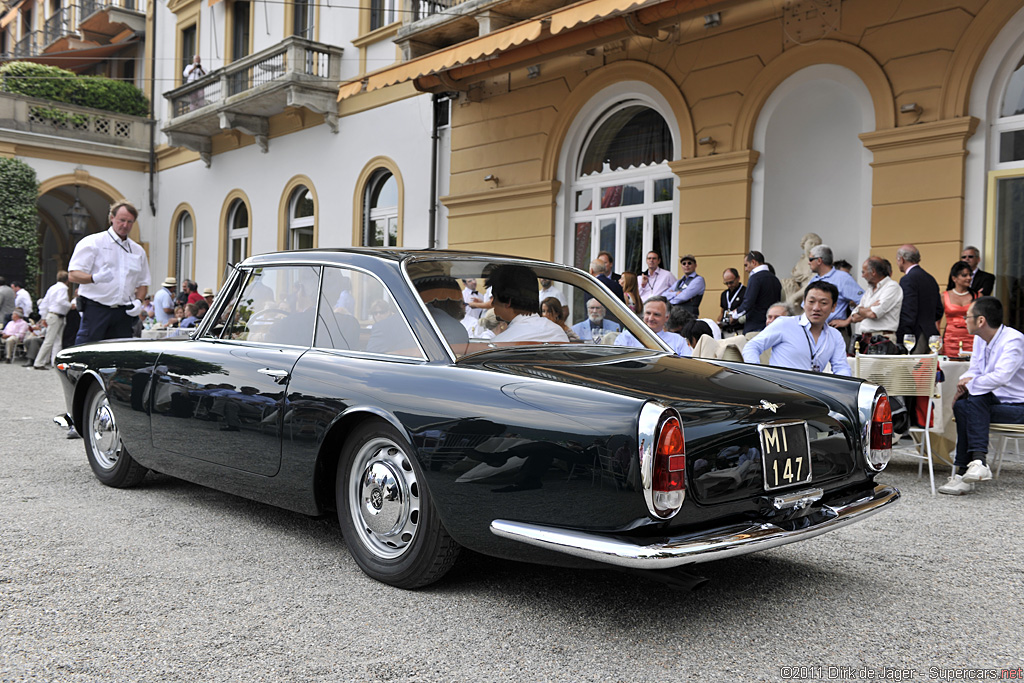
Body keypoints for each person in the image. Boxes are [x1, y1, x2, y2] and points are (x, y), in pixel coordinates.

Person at [940, 297, 1024, 495]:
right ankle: (972, 466)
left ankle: (970, 469)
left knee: (974, 397)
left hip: (1018, 406)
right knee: (964, 404)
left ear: (981, 321)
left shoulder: (1013, 340)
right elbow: (975, 370)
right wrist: (964, 385)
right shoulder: (980, 338)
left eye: (967, 316)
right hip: (991, 403)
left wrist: (969, 385)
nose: (963, 320)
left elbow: (1001, 377)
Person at [68, 200, 150, 344]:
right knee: (87, 351)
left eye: (130, 222)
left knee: (120, 356)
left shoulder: (137, 250)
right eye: (122, 220)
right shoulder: (93, 242)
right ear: (112, 218)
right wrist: (94, 278)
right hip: (96, 309)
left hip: (123, 312)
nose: (125, 225)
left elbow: (143, 282)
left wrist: (139, 301)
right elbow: (73, 274)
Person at [742, 281, 851, 376]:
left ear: (833, 307)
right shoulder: (784, 324)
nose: (816, 308)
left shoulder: (835, 336)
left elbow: (841, 368)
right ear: (804, 303)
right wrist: (755, 374)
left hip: (813, 393)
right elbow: (752, 346)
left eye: (823, 303)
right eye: (811, 302)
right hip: (781, 391)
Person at [490, 264, 568, 343]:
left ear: (507, 302)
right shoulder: (558, 333)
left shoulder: (500, 343)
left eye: (494, 298)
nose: (492, 304)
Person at [833, 257, 903, 340]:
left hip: (883, 338)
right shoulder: (869, 290)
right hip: (865, 339)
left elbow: (873, 314)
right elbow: (854, 317)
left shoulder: (892, 287)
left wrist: (860, 309)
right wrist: (869, 308)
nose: (862, 276)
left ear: (873, 272)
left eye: (863, 272)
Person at [895, 244, 943, 354]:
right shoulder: (930, 278)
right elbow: (939, 311)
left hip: (914, 336)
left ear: (901, 260)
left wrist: (903, 337)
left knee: (910, 370)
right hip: (929, 334)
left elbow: (908, 310)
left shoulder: (907, 279)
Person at [614, 296, 691, 356]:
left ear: (666, 318)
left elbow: (688, 366)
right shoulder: (626, 337)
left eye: (656, 314)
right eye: (648, 313)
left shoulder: (678, 341)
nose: (650, 318)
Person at [807, 245, 864, 327]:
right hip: (814, 330)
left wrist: (847, 321)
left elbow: (865, 301)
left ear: (819, 261)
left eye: (810, 259)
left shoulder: (842, 278)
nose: (809, 263)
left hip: (834, 330)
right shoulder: (814, 280)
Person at [32, 270, 72, 370]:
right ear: (67, 280)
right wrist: (70, 305)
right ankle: (39, 362)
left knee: (54, 340)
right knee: (51, 341)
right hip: (57, 316)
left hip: (52, 315)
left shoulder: (52, 288)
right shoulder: (63, 288)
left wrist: (43, 317)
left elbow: (44, 303)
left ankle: (53, 362)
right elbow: (61, 300)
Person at [737, 250, 782, 334]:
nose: (746, 269)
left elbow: (748, 302)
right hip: (772, 325)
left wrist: (735, 314)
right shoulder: (775, 279)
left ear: (753, 262)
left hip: (754, 326)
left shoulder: (755, 278)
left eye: (746, 265)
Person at [941, 260, 977, 357]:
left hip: (972, 339)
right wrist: (939, 343)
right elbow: (936, 322)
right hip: (951, 340)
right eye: (964, 275)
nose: (969, 278)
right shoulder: (944, 296)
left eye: (970, 275)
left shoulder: (977, 296)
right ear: (954, 278)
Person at [718, 268, 746, 336]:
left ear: (738, 278)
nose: (729, 285)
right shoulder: (724, 294)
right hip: (725, 331)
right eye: (726, 283)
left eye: (731, 282)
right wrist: (719, 322)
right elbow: (722, 312)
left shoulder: (746, 292)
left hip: (739, 331)